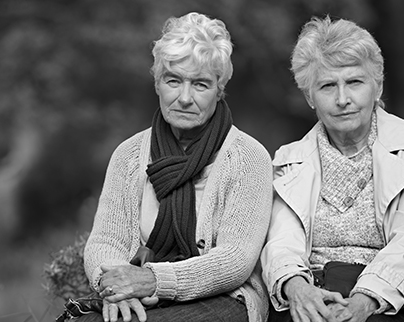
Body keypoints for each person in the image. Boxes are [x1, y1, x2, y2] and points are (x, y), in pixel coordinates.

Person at [261, 16, 404, 322]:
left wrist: (363, 301)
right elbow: (282, 241)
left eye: (354, 82)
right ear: (310, 98)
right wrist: (299, 290)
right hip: (315, 292)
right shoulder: (288, 159)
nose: (342, 99)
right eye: (327, 86)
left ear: (377, 86)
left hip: (391, 298)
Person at [76, 12, 273, 322]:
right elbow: (105, 241)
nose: (184, 97)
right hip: (140, 294)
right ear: (157, 84)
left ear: (219, 90)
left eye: (200, 84)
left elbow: (235, 260)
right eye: (173, 80)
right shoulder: (128, 155)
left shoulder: (250, 158)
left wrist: (154, 280)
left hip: (224, 300)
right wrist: (114, 288)